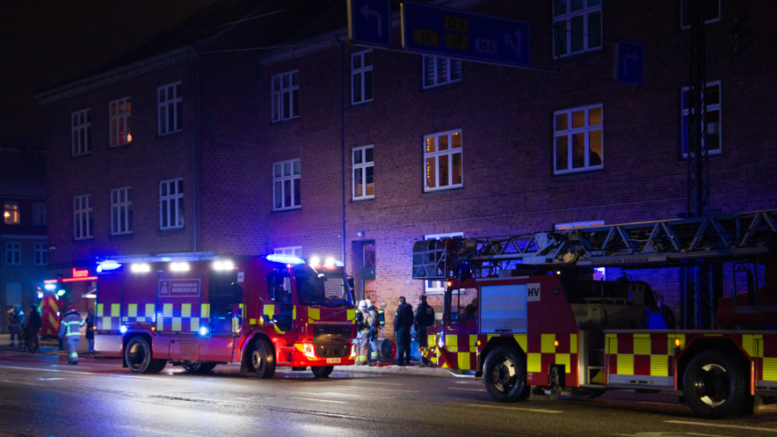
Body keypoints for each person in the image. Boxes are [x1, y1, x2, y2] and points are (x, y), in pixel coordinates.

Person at [414, 295, 435, 367]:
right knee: (429, 345)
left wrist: (416, 327)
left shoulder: (420, 308)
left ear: (420, 300)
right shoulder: (430, 308)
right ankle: (430, 360)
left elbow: (416, 318)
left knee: (423, 345)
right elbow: (432, 318)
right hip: (429, 329)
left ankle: (424, 361)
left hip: (422, 329)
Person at [394, 296, 414, 366]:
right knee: (407, 344)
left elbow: (397, 320)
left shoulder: (399, 309)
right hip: (407, 329)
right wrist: (409, 326)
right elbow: (412, 319)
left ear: (400, 301)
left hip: (401, 329)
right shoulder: (409, 309)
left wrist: (396, 329)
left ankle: (400, 361)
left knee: (401, 344)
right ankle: (408, 360)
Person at [354, 300, 370, 365]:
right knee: (364, 347)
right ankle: (362, 361)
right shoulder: (367, 314)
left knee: (357, 347)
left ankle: (356, 360)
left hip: (357, 333)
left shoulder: (355, 313)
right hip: (365, 333)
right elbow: (371, 323)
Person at [365, 299, 380, 364]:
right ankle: (374, 357)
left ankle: (374, 357)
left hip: (371, 330)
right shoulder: (375, 312)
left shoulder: (370, 313)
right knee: (373, 343)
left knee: (372, 343)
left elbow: (370, 323)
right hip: (374, 330)